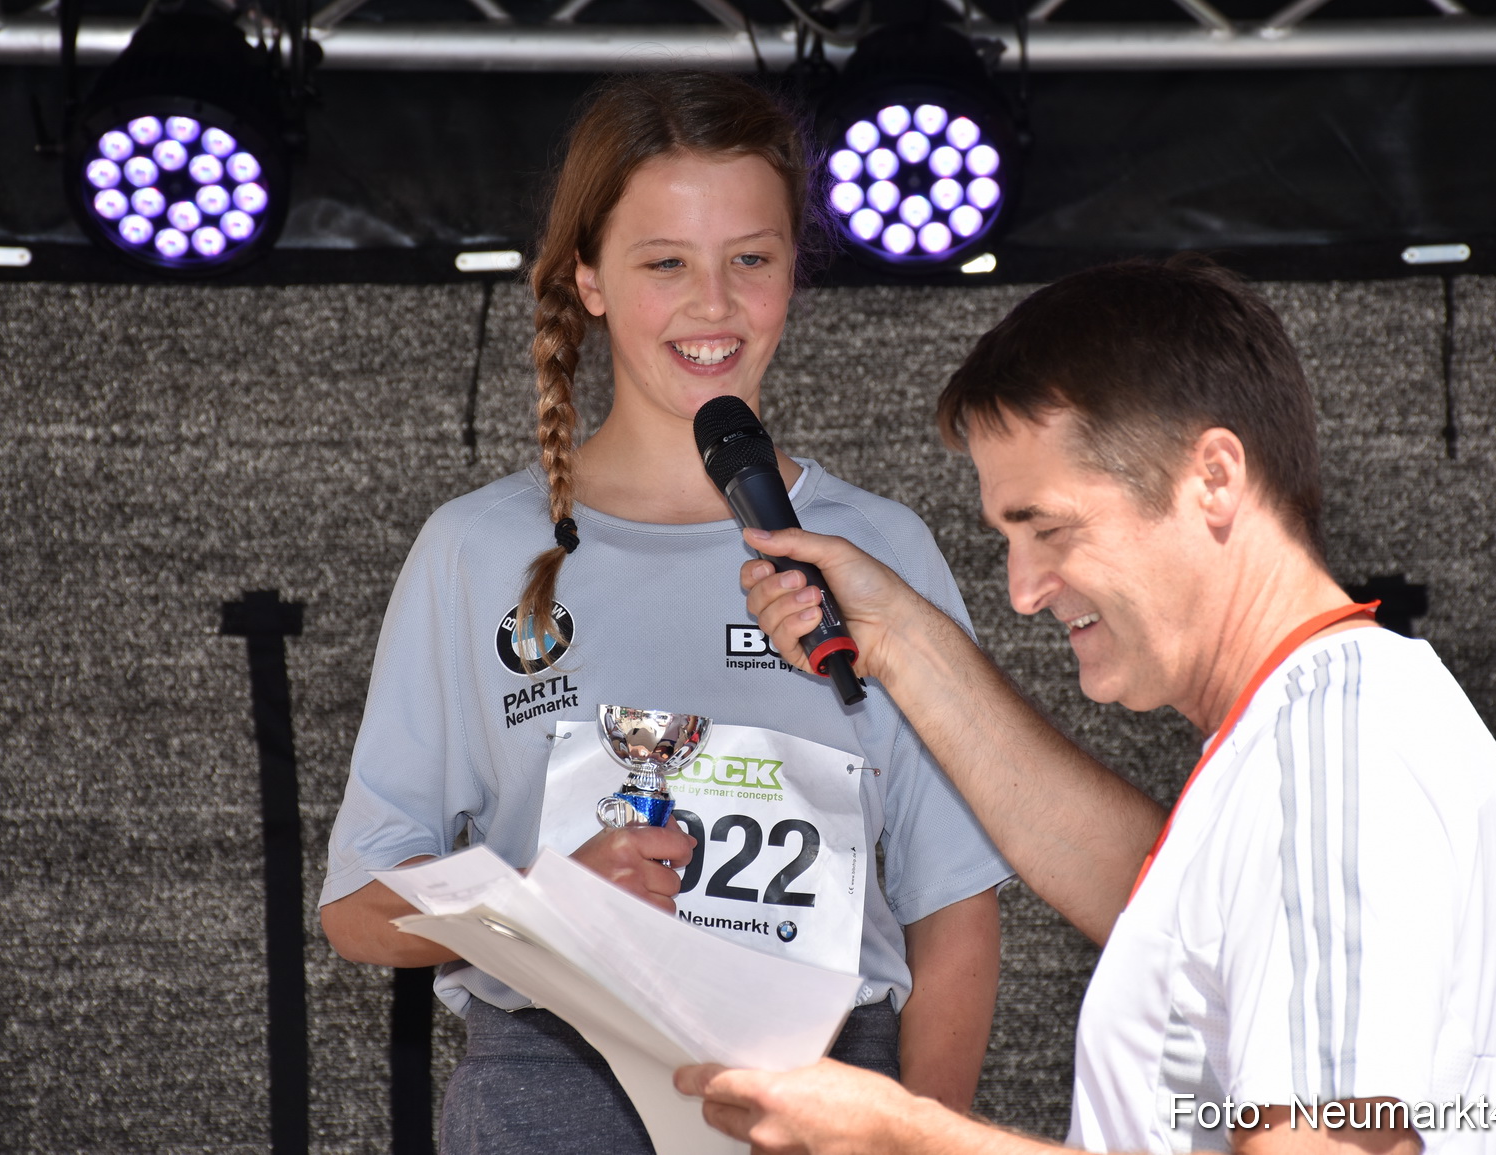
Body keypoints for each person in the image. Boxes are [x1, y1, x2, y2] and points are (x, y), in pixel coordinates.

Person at [679, 258, 1496, 1154]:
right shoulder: (1310, 735)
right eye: (1007, 537)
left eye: (1049, 528)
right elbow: (1165, 908)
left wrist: (907, 1137)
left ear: (1214, 477)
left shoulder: (1335, 753)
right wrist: (895, 636)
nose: (1022, 591)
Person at [317, 72, 1011, 1155]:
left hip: (829, 1088)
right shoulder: (476, 549)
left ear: (793, 270)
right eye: (665, 263)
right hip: (552, 1088)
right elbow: (357, 907)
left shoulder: (879, 549)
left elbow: (954, 908)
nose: (714, 305)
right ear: (587, 277)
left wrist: (920, 1139)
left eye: (751, 259)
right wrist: (540, 903)